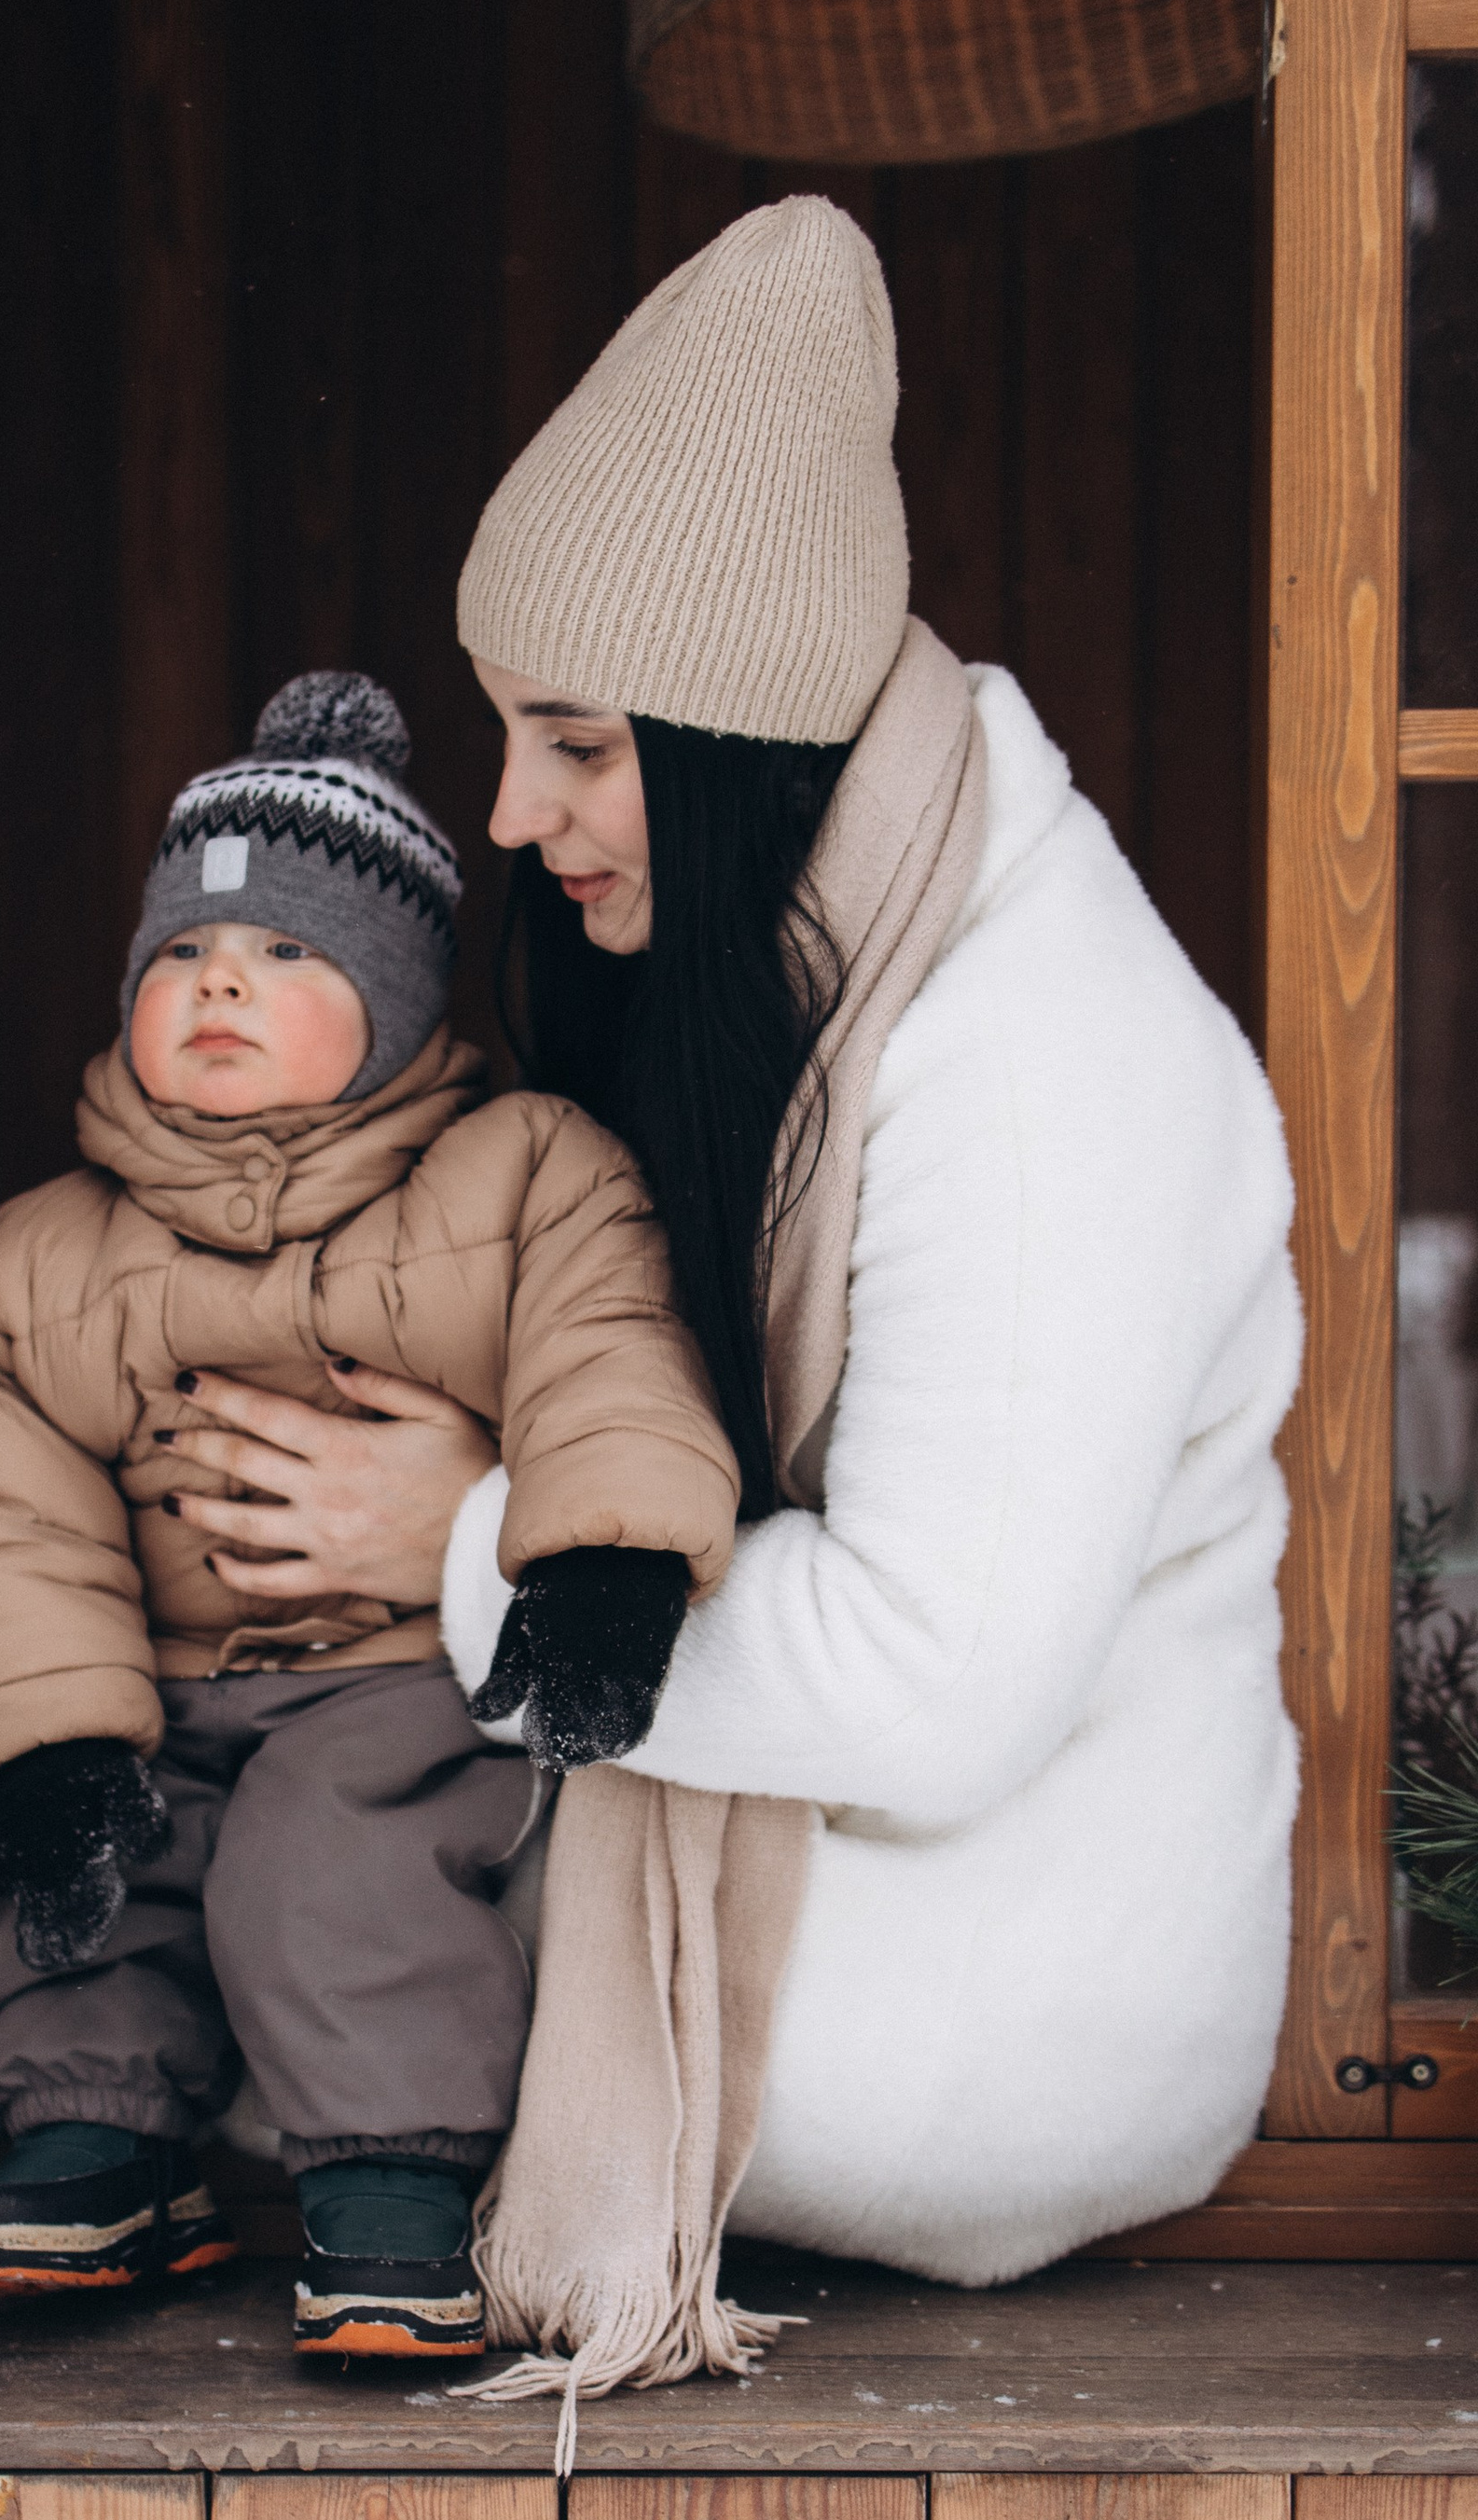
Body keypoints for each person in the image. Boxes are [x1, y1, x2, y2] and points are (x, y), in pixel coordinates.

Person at [151, 199, 1303, 2376]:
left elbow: (937, 1677)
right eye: (508, 733)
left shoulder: (1029, 1057)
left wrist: (460, 1547)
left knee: (283, 1916)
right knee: (272, 1841)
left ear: (735, 737)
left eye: (575, 746)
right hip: (888, 1876)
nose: (508, 812)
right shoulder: (819, 951)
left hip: (1005, 1997)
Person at [0, 672, 739, 2359]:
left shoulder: (522, 1172)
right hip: (163, 1678)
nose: (222, 975)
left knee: (330, 1865)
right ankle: (93, 2138)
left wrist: (603, 1573)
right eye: (184, 955)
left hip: (392, 1683)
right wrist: (66, 1750)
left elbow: (609, 1359)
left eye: (291, 953)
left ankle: (391, 2182)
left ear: (394, 991)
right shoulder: (41, 1253)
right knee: (90, 1883)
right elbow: (27, 1523)